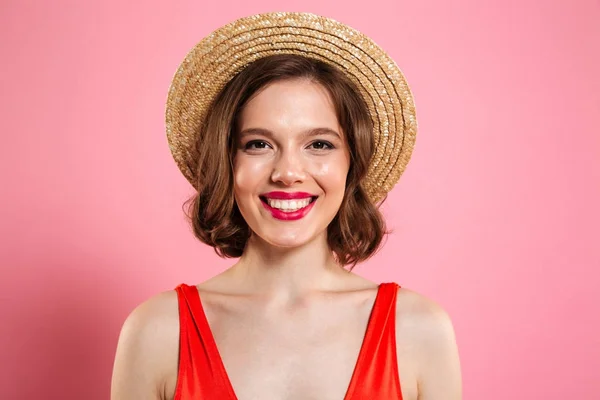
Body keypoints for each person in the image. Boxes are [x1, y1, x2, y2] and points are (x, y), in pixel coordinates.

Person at [111, 12, 462, 400]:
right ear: (228, 162)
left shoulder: (418, 329)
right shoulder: (158, 332)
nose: (288, 172)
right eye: (258, 144)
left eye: (319, 144)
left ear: (352, 163)